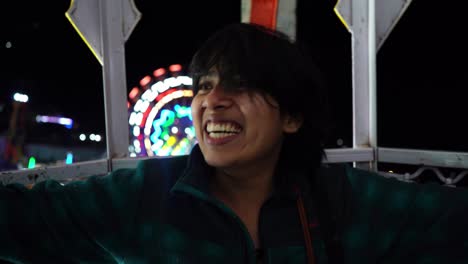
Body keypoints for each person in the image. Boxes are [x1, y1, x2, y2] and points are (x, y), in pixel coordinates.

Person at [1, 22, 468, 264]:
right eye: (203, 86)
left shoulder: (342, 201)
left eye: (239, 85)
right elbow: (25, 222)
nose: (212, 102)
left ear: (292, 117)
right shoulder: (145, 196)